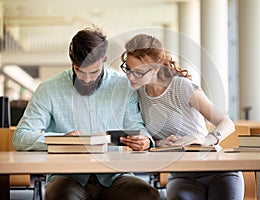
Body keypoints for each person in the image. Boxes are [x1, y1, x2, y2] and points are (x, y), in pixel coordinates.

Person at [13, 28, 160, 200]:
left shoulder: (123, 87)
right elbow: (21, 137)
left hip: (114, 176)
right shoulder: (49, 89)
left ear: (104, 60)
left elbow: (137, 127)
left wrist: (145, 141)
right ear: (72, 62)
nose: (87, 79)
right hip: (67, 177)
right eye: (79, 71)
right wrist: (61, 140)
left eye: (93, 72)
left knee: (148, 195)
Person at [120, 34, 244, 200]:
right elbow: (148, 139)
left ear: (156, 68)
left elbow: (226, 123)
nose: (131, 77)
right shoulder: (137, 95)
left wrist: (208, 139)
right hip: (182, 176)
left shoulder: (181, 87)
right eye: (128, 69)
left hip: (217, 171)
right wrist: (158, 143)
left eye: (138, 72)